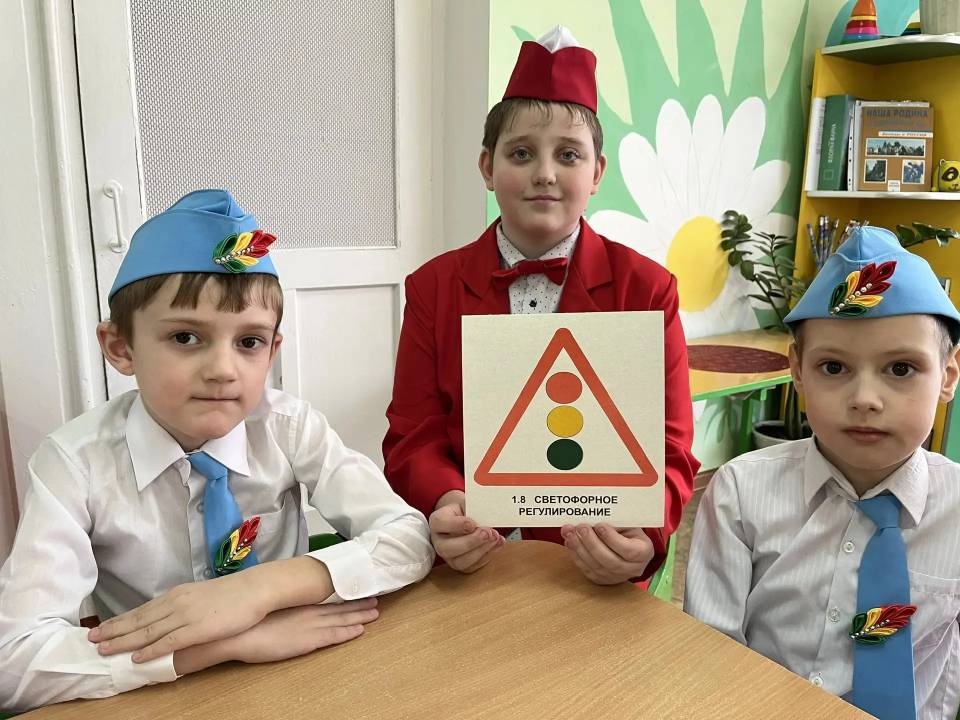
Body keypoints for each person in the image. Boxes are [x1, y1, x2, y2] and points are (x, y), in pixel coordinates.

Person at [0, 189, 434, 712]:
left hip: (302, 676)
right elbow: (11, 663)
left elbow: (409, 537)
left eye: (249, 342)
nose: (224, 370)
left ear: (272, 351)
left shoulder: (289, 427)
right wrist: (221, 644)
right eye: (185, 337)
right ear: (120, 347)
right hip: (158, 696)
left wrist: (259, 591)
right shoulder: (75, 462)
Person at [383, 26, 699, 584]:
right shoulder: (432, 287)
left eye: (568, 155)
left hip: (591, 561)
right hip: (471, 557)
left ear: (596, 173)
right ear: (487, 167)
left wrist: (643, 535)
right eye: (522, 153)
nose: (545, 173)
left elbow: (671, 446)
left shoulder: (648, 290)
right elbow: (414, 431)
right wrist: (445, 497)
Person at [685, 226, 960, 719]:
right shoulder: (740, 493)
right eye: (834, 368)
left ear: (948, 376)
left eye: (901, 369)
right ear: (797, 370)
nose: (865, 399)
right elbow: (710, 653)